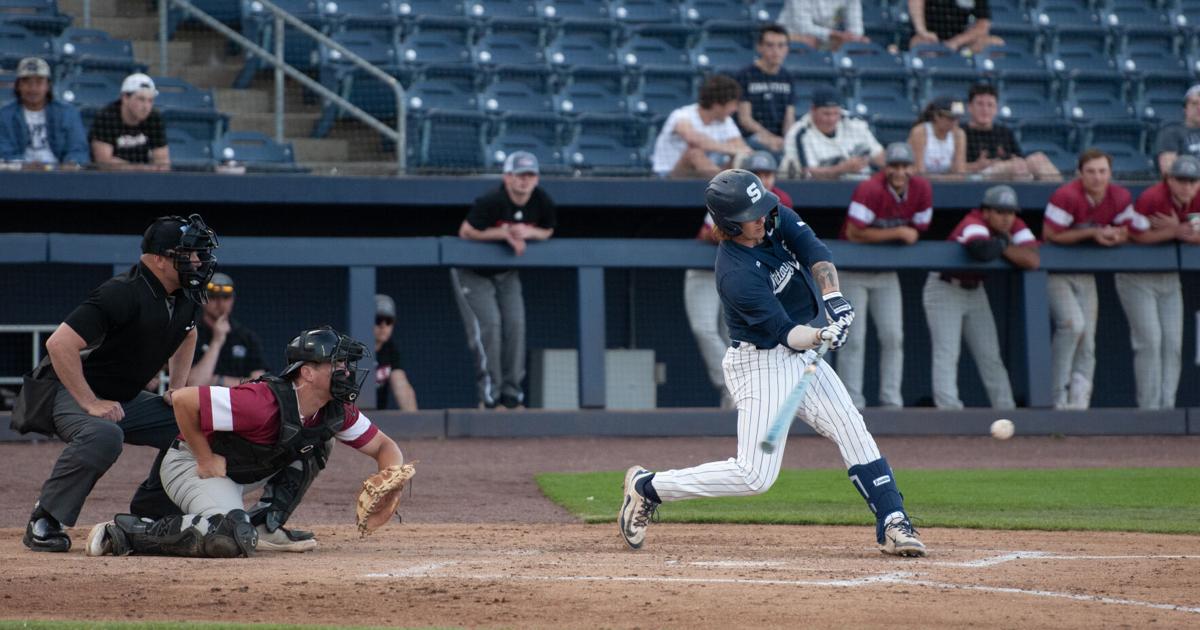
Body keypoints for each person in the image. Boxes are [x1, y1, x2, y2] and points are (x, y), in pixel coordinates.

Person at [619, 169, 925, 558]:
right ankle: (648, 487)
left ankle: (893, 521)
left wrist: (832, 297)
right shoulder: (735, 273)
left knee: (852, 428)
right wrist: (820, 335)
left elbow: (813, 248)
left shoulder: (773, 215)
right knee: (755, 476)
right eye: (752, 213)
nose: (763, 216)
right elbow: (785, 331)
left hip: (800, 353)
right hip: (760, 362)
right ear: (729, 223)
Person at [85, 326, 407, 557]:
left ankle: (267, 525)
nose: (346, 372)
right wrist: (204, 457)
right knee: (229, 537)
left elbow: (384, 447)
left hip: (243, 468)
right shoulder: (262, 401)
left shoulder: (334, 410)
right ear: (307, 373)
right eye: (336, 364)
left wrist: (390, 483)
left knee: (321, 439)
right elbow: (183, 401)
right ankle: (126, 534)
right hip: (191, 466)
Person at [18, 214, 218, 552]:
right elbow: (59, 344)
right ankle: (46, 517)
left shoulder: (185, 295)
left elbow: (188, 333)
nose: (198, 261)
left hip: (119, 395)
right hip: (65, 390)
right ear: (158, 259)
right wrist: (90, 403)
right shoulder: (121, 292)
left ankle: (154, 511)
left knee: (189, 421)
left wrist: (178, 388)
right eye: (188, 254)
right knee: (103, 434)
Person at [685, 151, 793, 408]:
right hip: (708, 271)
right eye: (759, 174)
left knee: (735, 336)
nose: (764, 180)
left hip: (748, 276)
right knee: (705, 329)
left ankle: (734, 399)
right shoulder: (730, 193)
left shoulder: (781, 200)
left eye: (768, 174)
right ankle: (729, 384)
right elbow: (706, 232)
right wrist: (740, 231)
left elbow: (784, 238)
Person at [451, 151, 555, 409]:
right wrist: (504, 233)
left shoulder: (541, 200)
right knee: (490, 327)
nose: (524, 180)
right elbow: (466, 231)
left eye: (529, 175)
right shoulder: (493, 200)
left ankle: (512, 396)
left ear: (537, 178)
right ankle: (490, 397)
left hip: (505, 273)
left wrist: (530, 231)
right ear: (507, 177)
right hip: (473, 273)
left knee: (516, 326)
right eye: (519, 175)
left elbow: (548, 229)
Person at [923, 185, 1038, 410]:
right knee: (947, 352)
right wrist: (1005, 243)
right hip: (945, 288)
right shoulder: (974, 221)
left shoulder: (1015, 225)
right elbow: (981, 250)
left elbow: (1033, 259)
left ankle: (1006, 409)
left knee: (990, 355)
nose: (1007, 218)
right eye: (1000, 212)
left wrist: (1000, 246)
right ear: (986, 211)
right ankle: (949, 412)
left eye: (1010, 212)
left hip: (975, 291)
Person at [1042, 149, 1141, 410]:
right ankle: (1058, 397)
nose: (1097, 177)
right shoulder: (1066, 195)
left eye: (1102, 171)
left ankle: (1080, 403)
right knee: (1072, 326)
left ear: (1110, 173)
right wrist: (1093, 233)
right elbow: (1051, 234)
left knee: (1088, 339)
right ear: (1080, 174)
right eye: (1091, 172)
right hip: (1056, 271)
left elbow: (1128, 230)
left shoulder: (1119, 196)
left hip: (1086, 274)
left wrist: (1115, 236)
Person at [836, 142, 931, 409]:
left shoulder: (921, 189)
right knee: (854, 340)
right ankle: (851, 404)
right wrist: (897, 233)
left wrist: (902, 233)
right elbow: (855, 233)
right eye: (894, 166)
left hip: (886, 274)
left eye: (904, 166)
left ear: (912, 168)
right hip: (853, 272)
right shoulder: (869, 188)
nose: (899, 172)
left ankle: (892, 401)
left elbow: (920, 227)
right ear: (885, 167)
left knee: (893, 337)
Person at [1116, 155, 1200, 408]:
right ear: (1169, 179)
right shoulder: (1152, 198)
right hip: (1137, 276)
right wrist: (1175, 231)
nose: (1187, 187)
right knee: (1150, 342)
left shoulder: (1197, 197)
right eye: (1181, 180)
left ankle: (1168, 406)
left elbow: (1192, 235)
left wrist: (1179, 229)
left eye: (1192, 181)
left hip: (1169, 277)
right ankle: (1149, 409)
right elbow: (1134, 235)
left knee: (1173, 344)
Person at [651, 74, 751, 179]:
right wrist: (731, 149)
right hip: (668, 177)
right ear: (717, 104)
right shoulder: (682, 115)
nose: (735, 109)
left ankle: (729, 185)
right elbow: (694, 139)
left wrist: (737, 152)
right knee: (694, 153)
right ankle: (724, 186)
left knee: (737, 158)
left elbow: (741, 148)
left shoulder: (726, 121)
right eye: (733, 104)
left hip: (705, 176)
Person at [0, 56, 89, 168]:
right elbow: (4, 152)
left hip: (60, 175)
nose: (33, 89)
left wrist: (71, 163)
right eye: (27, 83)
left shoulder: (67, 113)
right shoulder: (4, 116)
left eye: (39, 82)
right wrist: (22, 166)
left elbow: (78, 149)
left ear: (48, 86)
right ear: (18, 86)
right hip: (18, 176)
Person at [187, 272, 270, 388]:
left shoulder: (246, 337)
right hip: (199, 402)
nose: (220, 303)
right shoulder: (191, 332)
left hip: (236, 403)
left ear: (232, 299)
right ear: (203, 298)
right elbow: (194, 383)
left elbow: (260, 384)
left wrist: (219, 381)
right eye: (213, 296)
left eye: (225, 297)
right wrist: (216, 342)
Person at [781, 88, 885, 179]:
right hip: (817, 193)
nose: (832, 119)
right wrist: (842, 169)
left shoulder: (853, 123)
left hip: (860, 189)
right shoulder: (798, 133)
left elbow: (880, 157)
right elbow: (806, 174)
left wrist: (867, 160)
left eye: (836, 113)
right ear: (813, 110)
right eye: (826, 114)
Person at [963, 83, 1060, 181]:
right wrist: (976, 166)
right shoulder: (961, 132)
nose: (985, 109)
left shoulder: (1004, 131)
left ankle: (1062, 194)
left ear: (996, 109)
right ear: (970, 107)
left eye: (990, 105)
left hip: (1008, 172)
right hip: (975, 177)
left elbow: (1019, 157)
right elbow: (951, 169)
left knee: (1039, 159)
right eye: (980, 104)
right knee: (1017, 167)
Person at [734, 24, 797, 155]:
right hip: (751, 137)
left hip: (779, 139)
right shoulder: (746, 75)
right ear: (759, 47)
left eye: (781, 46)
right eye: (770, 45)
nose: (776, 51)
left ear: (787, 49)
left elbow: (789, 117)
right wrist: (770, 138)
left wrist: (788, 141)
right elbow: (745, 119)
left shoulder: (787, 77)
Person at [88, 72, 169, 171]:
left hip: (144, 180)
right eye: (141, 99)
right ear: (125, 98)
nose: (146, 106)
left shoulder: (154, 118)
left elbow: (163, 161)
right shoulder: (106, 117)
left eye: (150, 100)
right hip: (109, 180)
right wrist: (143, 169)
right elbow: (103, 162)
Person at [373, 294, 418, 411]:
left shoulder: (390, 350)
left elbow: (401, 386)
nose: (383, 326)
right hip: (348, 421)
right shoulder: (350, 348)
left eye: (388, 321)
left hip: (375, 420)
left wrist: (415, 424)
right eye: (378, 320)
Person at [908, 0, 1003, 54]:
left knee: (996, 43)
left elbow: (983, 25)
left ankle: (980, 85)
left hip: (961, 45)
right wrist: (922, 31)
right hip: (932, 39)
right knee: (921, 44)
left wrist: (956, 42)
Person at [907, 96, 966, 177]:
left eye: (957, 118)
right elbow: (918, 172)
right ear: (936, 116)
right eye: (950, 118)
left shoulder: (959, 135)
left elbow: (959, 172)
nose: (954, 123)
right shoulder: (920, 132)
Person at [777, 0, 868, 50]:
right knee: (808, 41)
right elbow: (803, 27)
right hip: (789, 35)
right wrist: (835, 35)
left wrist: (854, 38)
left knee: (862, 44)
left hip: (826, 39)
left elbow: (856, 29)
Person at [1153, 84, 1200, 175]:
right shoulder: (1171, 131)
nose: (1199, 108)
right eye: (1194, 103)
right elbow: (1168, 171)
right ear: (1185, 109)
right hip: (1186, 184)